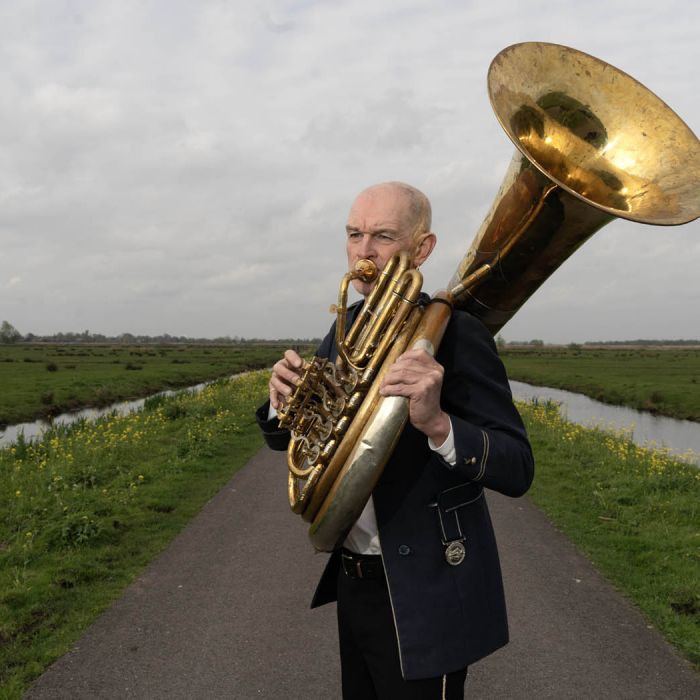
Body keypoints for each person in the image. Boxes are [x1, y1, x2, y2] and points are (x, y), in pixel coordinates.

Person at [256, 181, 534, 699]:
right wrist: (283, 403)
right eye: (354, 234)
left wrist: (437, 425)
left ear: (421, 248)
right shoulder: (347, 325)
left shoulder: (459, 334)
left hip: (429, 589)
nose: (364, 251)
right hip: (354, 579)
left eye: (383, 236)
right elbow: (299, 440)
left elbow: (518, 467)